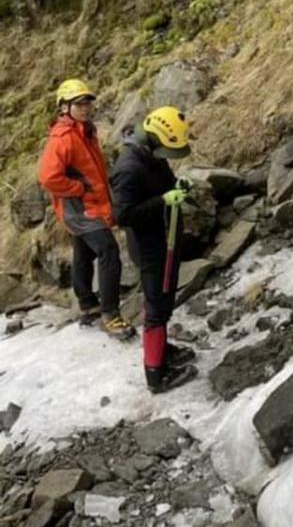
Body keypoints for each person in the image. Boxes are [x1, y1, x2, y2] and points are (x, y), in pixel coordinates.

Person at [38, 79, 135, 339]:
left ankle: (87, 303)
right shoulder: (63, 138)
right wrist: (79, 190)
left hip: (87, 205)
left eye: (87, 102)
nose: (85, 107)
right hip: (80, 208)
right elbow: (48, 178)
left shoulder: (84, 130)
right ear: (64, 107)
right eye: (79, 103)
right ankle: (110, 315)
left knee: (83, 251)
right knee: (108, 251)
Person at [111, 106, 198, 394]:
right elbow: (123, 215)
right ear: (154, 139)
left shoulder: (151, 155)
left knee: (165, 297)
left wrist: (177, 188)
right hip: (148, 245)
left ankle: (161, 348)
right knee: (156, 306)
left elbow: (164, 182)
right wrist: (163, 200)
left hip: (165, 236)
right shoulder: (128, 168)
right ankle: (156, 375)